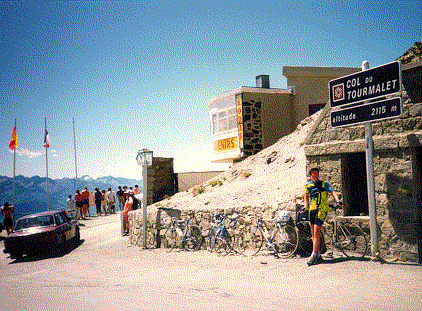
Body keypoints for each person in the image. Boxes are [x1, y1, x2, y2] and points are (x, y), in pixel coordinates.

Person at [304, 167, 342, 266]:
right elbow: (306, 195)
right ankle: (317, 254)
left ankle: (314, 254)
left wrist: (337, 200)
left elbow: (332, 191)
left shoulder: (324, 183)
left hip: (322, 208)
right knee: (313, 233)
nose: (315, 175)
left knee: (317, 231)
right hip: (311, 210)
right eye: (313, 174)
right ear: (310, 175)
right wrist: (305, 205)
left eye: (317, 173)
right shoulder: (308, 185)